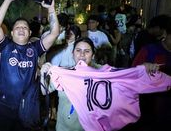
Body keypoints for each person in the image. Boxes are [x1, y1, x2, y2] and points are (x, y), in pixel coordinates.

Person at [40, 37, 170, 131]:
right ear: (72, 53)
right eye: (78, 50)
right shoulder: (65, 72)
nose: (82, 55)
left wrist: (143, 69)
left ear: (93, 54)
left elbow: (125, 75)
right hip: (65, 128)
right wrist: (44, 73)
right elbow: (44, 90)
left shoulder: (104, 72)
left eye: (87, 51)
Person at [0, 0, 59, 131]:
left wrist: (51, 8)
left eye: (24, 27)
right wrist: (8, 0)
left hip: (27, 106)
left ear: (29, 33)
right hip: (3, 106)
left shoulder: (35, 48)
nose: (21, 29)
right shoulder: (4, 46)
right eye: (17, 27)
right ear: (11, 32)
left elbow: (54, 33)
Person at [130, 15, 171, 131]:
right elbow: (132, 74)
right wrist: (143, 68)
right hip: (149, 109)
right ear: (166, 34)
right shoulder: (149, 50)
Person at [41, 25, 82, 131]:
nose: (69, 35)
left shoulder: (77, 49)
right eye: (68, 33)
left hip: (69, 80)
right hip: (56, 76)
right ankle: (53, 112)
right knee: (53, 95)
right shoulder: (60, 45)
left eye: (72, 33)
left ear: (77, 36)